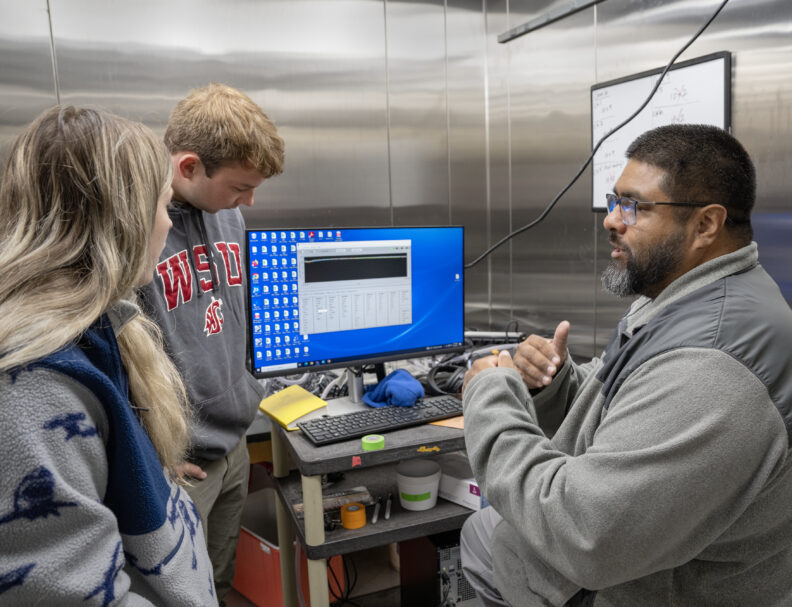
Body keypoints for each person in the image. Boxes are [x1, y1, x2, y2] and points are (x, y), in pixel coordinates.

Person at [460, 124, 792, 606]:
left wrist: (490, 392)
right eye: (613, 201)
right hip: (628, 560)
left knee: (480, 538)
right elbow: (628, 409)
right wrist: (553, 384)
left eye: (633, 206)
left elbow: (585, 536)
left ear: (706, 225)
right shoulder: (688, 296)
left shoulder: (713, 367)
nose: (611, 221)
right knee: (481, 530)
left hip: (631, 585)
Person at [0, 106, 216, 605]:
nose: (167, 222)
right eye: (163, 206)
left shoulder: (98, 332)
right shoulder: (35, 384)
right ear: (122, 219)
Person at [138, 82, 285, 601]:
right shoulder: (135, 232)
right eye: (240, 187)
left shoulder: (228, 212)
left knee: (219, 581)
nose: (249, 200)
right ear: (188, 167)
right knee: (182, 594)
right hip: (179, 463)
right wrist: (151, 450)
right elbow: (109, 350)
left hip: (234, 442)